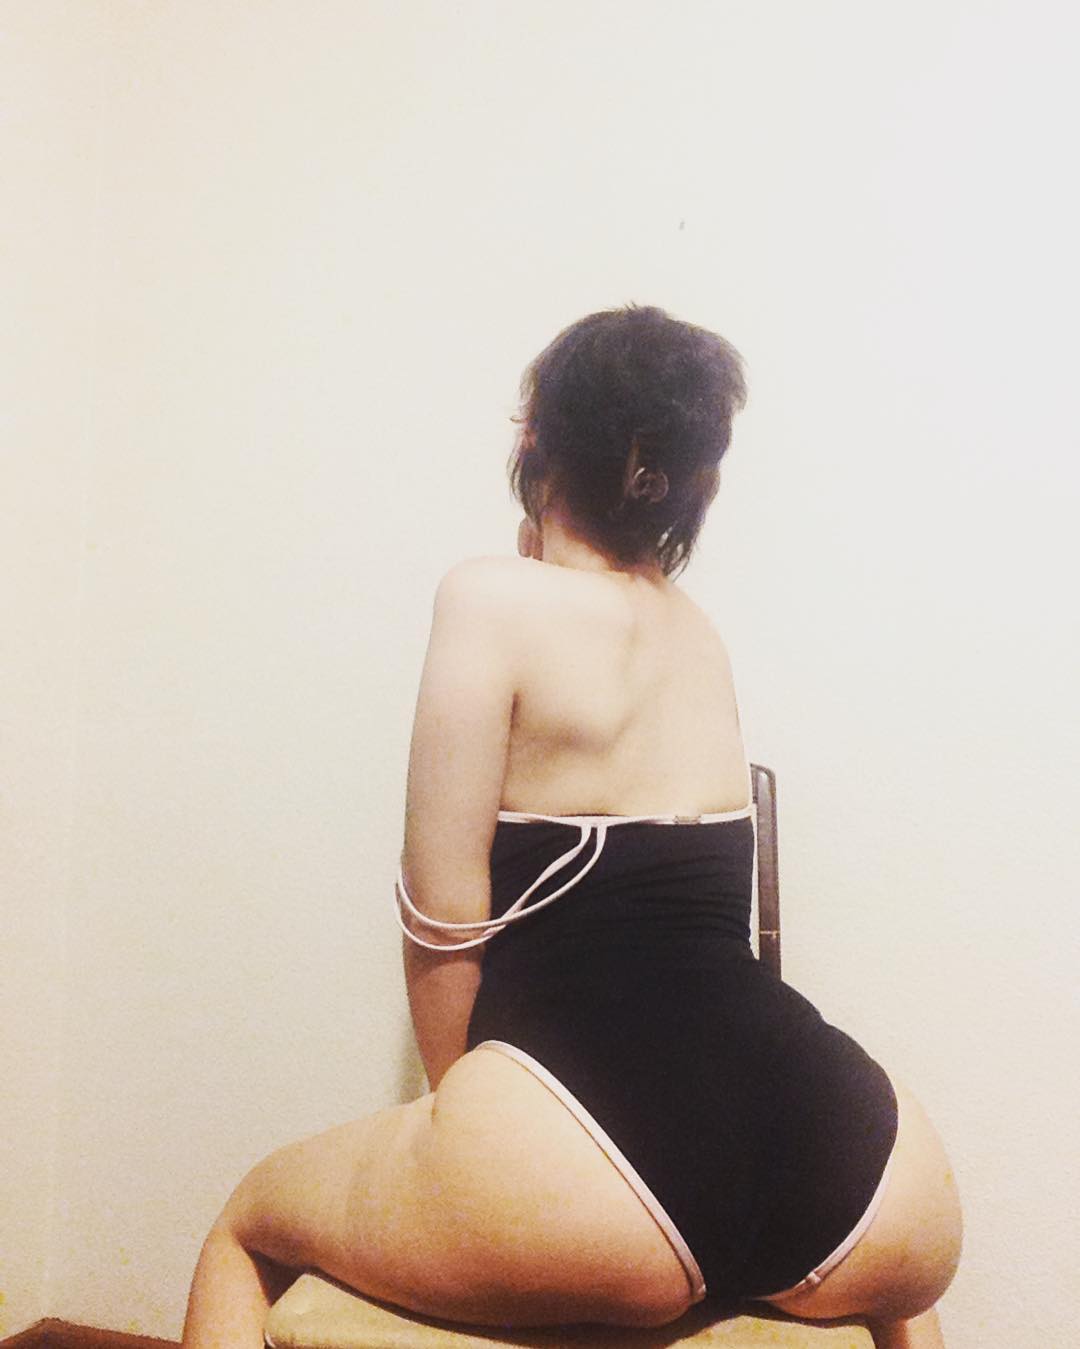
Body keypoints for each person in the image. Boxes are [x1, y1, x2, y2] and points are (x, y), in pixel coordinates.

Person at [182, 306, 962, 1349]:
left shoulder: (488, 598)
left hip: (585, 1179)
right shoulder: (696, 633)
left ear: (534, 441)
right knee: (891, 1291)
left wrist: (474, 1126)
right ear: (693, 480)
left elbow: (443, 919)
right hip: (871, 1183)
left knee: (246, 1224)